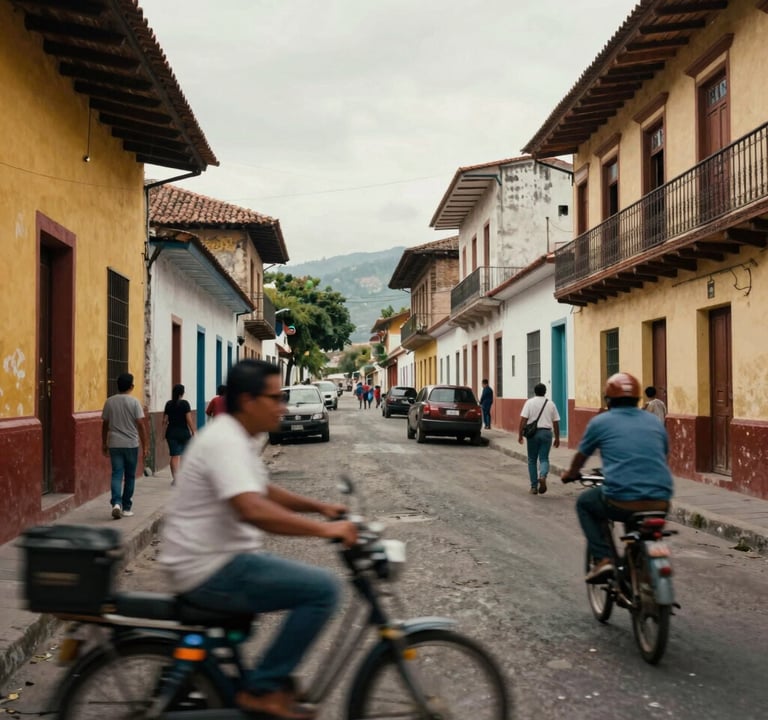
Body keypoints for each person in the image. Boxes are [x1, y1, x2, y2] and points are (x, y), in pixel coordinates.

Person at [160, 360, 357, 719]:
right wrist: (326, 530)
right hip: (211, 567)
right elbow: (253, 509)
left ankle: (258, 684)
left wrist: (320, 507)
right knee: (322, 590)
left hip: (218, 559)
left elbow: (262, 490)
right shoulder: (225, 441)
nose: (282, 405)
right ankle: (264, 689)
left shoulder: (237, 437)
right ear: (249, 401)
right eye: (276, 397)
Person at [561, 372, 674, 584]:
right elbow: (664, 455)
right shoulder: (654, 423)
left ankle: (604, 558)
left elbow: (581, 456)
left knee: (585, 503)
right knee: (640, 525)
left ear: (609, 400)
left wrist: (571, 473)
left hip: (620, 498)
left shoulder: (601, 422)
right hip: (661, 499)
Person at [101, 372, 148, 519]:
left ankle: (116, 503)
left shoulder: (109, 402)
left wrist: (104, 442)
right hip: (131, 444)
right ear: (132, 386)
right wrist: (146, 445)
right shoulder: (134, 402)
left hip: (115, 443)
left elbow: (105, 424)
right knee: (130, 476)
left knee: (116, 474)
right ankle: (126, 507)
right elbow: (140, 424)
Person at [518, 383, 560, 495]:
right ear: (545, 391)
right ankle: (542, 475)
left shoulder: (529, 403)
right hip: (546, 433)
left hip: (533, 434)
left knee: (532, 460)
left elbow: (523, 420)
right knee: (544, 458)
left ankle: (534, 487)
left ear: (534, 391)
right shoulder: (551, 404)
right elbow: (556, 422)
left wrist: (520, 435)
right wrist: (557, 438)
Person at [163, 384, 196, 485]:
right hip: (184, 433)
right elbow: (188, 419)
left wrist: (163, 433)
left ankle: (176, 479)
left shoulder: (168, 404)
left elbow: (164, 420)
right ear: (182, 393)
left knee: (174, 456)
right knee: (185, 456)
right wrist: (194, 431)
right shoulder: (185, 404)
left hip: (171, 433)